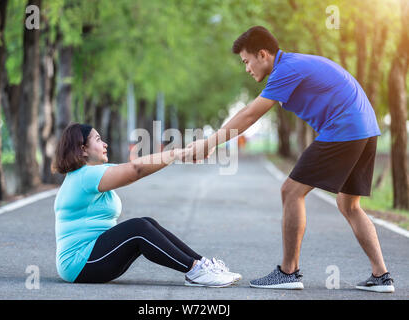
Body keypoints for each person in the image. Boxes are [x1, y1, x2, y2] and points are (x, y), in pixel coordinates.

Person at [187, 26, 394, 293]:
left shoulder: (285, 70)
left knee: (291, 191)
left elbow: (250, 114)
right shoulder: (294, 65)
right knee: (349, 205)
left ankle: (288, 272)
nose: (247, 69)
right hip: (366, 129)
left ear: (263, 54)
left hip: (345, 128)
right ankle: (381, 276)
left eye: (246, 61)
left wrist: (209, 142)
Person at [51, 122, 241, 287]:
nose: (105, 144)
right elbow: (136, 169)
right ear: (83, 149)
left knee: (146, 222)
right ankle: (195, 270)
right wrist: (176, 154)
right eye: (98, 139)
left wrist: (177, 155)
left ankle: (202, 265)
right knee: (138, 228)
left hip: (94, 258)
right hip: (79, 264)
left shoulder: (94, 173)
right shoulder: (85, 177)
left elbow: (135, 166)